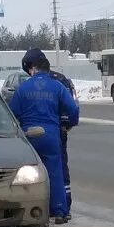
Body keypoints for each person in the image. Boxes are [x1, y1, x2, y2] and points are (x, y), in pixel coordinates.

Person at [9, 47, 78, 223]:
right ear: (48, 70)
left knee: (27, 173)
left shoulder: (23, 88)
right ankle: (60, 212)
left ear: (33, 69)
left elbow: (12, 113)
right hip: (50, 135)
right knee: (55, 173)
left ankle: (29, 208)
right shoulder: (58, 86)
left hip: (28, 136)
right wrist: (69, 124)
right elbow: (72, 109)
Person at [44, 55, 79, 218]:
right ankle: (64, 205)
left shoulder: (47, 83)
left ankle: (52, 205)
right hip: (59, 131)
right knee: (60, 168)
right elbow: (72, 106)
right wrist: (67, 125)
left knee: (48, 169)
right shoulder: (61, 80)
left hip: (46, 132)